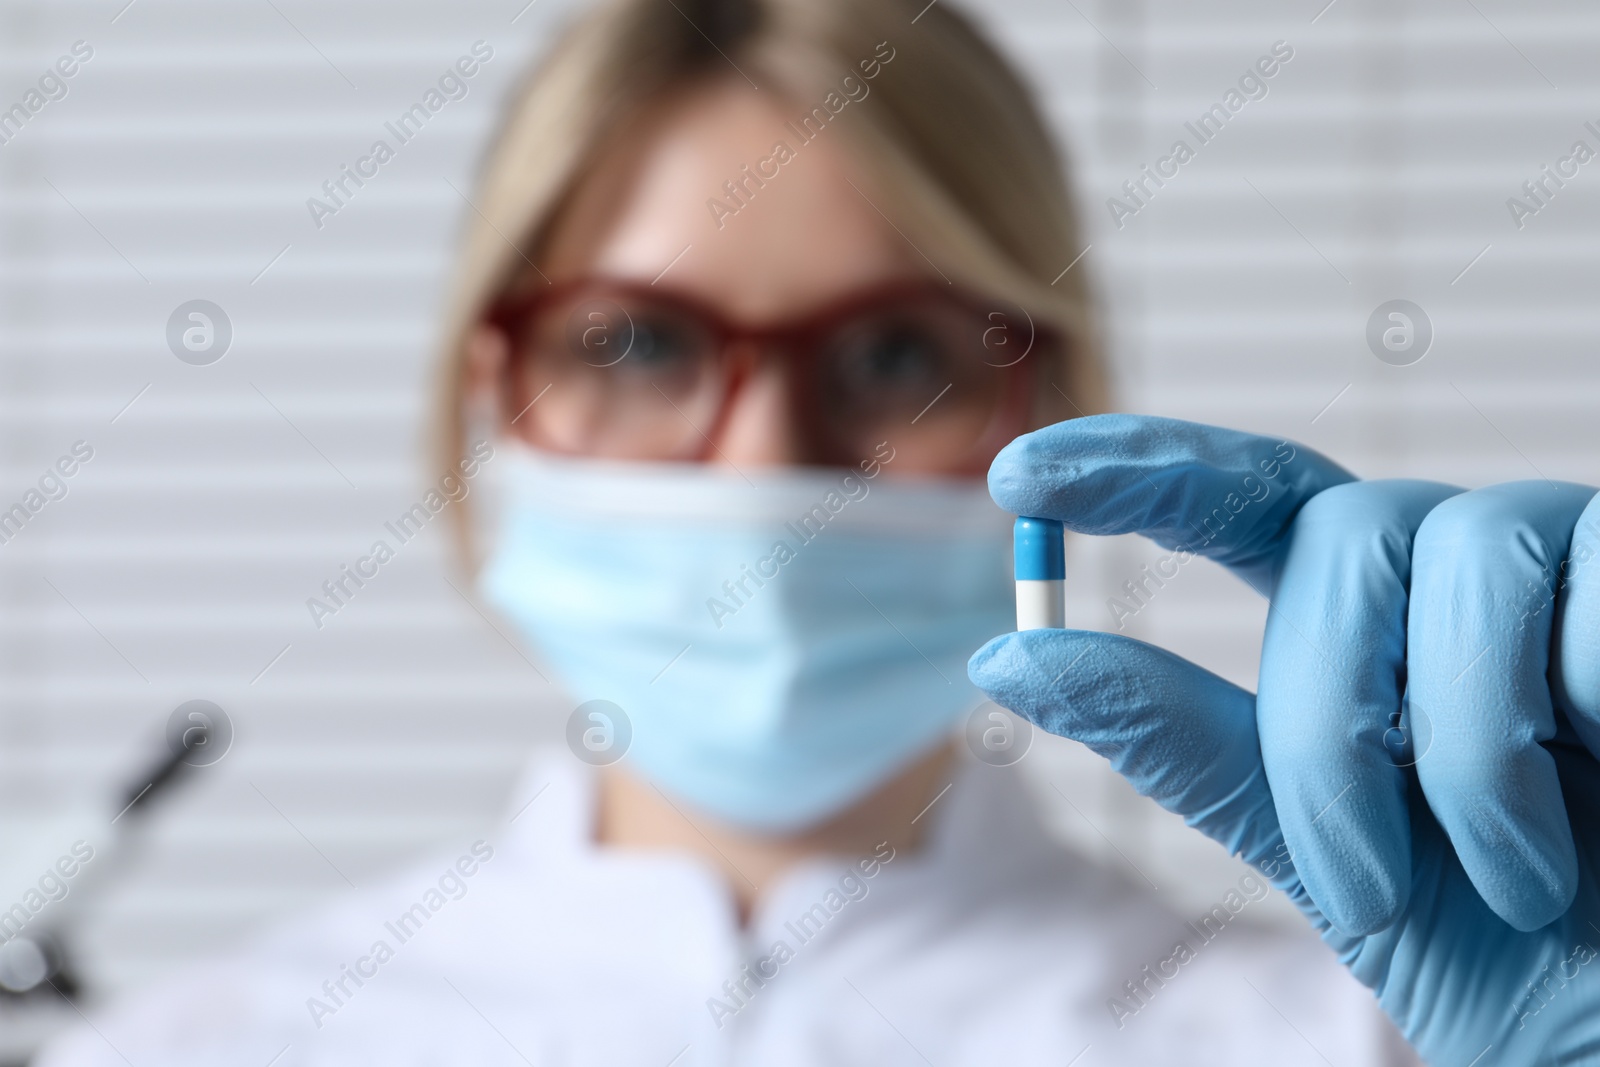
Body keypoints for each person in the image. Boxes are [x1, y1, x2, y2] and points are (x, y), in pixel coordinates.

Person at [36, 0, 1600, 1064]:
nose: (765, 462)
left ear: (1053, 412)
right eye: (636, 343)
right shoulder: (209, 1045)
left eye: (892, 354)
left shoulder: (1361, 1038)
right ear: (494, 390)